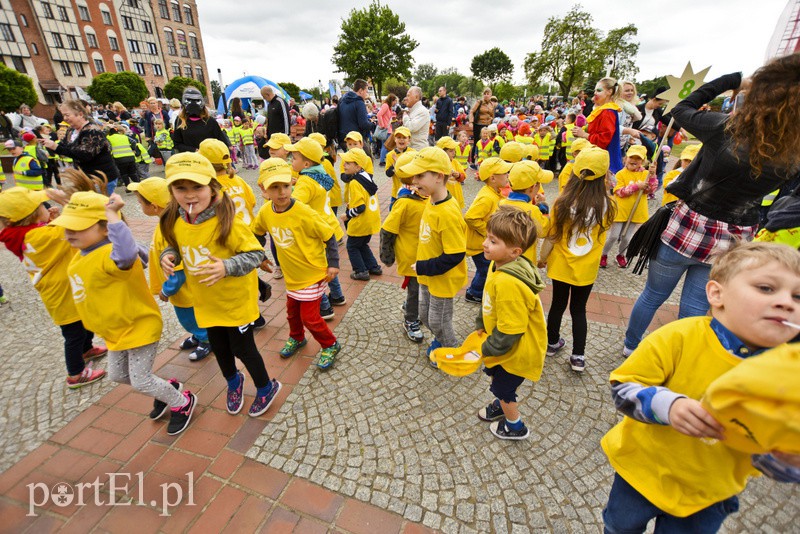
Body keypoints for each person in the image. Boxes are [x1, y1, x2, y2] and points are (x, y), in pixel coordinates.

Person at [601, 241, 800, 533]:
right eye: (766, 288)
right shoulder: (679, 337)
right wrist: (668, 406)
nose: (787, 302)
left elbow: (773, 451)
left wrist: (787, 460)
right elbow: (623, 386)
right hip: (641, 472)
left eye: (798, 295)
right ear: (717, 293)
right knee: (620, 528)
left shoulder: (790, 372)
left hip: (708, 495)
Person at [624, 53, 800, 356]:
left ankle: (631, 346)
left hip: (689, 225)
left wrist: (731, 80)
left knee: (653, 294)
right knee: (695, 305)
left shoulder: (725, 129)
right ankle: (680, 356)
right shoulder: (792, 157)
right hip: (733, 237)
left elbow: (681, 108)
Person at [53, 190, 196, 435]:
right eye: (67, 227)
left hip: (138, 326)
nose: (68, 233)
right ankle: (166, 388)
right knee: (118, 375)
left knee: (140, 380)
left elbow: (128, 253)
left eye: (77, 228)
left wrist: (113, 215)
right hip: (116, 332)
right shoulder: (82, 254)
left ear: (105, 228)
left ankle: (182, 402)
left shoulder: (111, 255)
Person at [159, 153, 280, 418]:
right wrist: (168, 257)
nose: (190, 195)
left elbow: (255, 254)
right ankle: (233, 382)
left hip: (234, 302)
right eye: (181, 188)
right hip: (205, 301)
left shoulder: (228, 223)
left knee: (243, 349)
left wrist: (226, 267)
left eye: (197, 187)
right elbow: (176, 245)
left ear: (213, 187)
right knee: (221, 348)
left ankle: (265, 387)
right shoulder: (178, 221)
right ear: (171, 191)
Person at [0, 186, 107, 387]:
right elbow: (75, 226)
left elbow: (49, 235)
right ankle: (75, 374)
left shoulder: (24, 234)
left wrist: (49, 221)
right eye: (40, 205)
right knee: (73, 333)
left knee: (83, 322)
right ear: (31, 215)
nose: (45, 206)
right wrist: (67, 204)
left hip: (61, 289)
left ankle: (87, 349)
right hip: (64, 293)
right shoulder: (42, 236)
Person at [251, 158, 342, 370]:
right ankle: (297, 337)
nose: (282, 192)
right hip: (293, 277)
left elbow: (329, 235)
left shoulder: (304, 212)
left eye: (285, 185)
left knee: (310, 317)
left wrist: (333, 264)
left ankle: (330, 344)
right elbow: (257, 233)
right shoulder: (265, 212)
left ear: (292, 183)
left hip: (313, 272)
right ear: (263, 189)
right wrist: (260, 257)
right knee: (292, 312)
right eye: (275, 187)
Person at [539, 147, 616, 373]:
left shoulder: (561, 202)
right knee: (578, 309)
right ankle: (578, 356)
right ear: (604, 175)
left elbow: (552, 235)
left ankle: (551, 343)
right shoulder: (609, 205)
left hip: (562, 263)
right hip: (587, 267)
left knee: (557, 305)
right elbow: (606, 233)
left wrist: (542, 258)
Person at [474, 206, 546, 440]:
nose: (485, 244)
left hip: (516, 352)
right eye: (487, 237)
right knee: (498, 380)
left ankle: (515, 426)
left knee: (504, 388)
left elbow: (511, 329)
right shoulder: (500, 264)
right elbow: (490, 300)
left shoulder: (508, 283)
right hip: (506, 348)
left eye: (493, 241)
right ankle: (501, 404)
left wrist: (485, 348)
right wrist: (481, 321)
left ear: (515, 251)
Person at [128, 177, 211, 362]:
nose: (139, 205)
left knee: (190, 318)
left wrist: (167, 289)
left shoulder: (170, 228)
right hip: (179, 290)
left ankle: (206, 339)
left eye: (141, 202)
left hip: (183, 290)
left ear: (155, 206)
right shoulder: (164, 223)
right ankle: (198, 336)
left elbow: (178, 270)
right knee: (189, 319)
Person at [400, 147, 467, 362]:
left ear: (439, 176)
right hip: (427, 275)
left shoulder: (447, 213)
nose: (414, 181)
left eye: (420, 176)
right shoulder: (431, 200)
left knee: (439, 321)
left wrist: (423, 267)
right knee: (424, 316)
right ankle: (440, 339)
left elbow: (455, 254)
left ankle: (451, 350)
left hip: (442, 279)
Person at [284, 137, 346, 321]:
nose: (290, 161)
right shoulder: (318, 174)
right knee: (328, 265)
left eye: (293, 158)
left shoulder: (305, 182)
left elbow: (295, 205)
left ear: (306, 163)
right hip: (328, 225)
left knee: (317, 268)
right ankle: (337, 295)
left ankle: (325, 308)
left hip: (316, 230)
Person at [379, 150, 425, 342]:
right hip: (411, 254)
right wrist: (386, 254)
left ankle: (409, 307)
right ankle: (410, 319)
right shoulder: (404, 202)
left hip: (423, 252)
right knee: (415, 289)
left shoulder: (423, 196)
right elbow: (388, 229)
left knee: (420, 287)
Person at [42, 100, 121, 195]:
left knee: (102, 207)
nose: (65, 118)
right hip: (85, 177)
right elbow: (64, 147)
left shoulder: (92, 131)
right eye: (63, 115)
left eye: (67, 115)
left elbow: (85, 154)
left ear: (80, 114)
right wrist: (50, 145)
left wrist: (56, 147)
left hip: (101, 178)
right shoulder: (71, 131)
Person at [464, 157, 513, 303]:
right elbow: (471, 217)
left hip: (483, 242)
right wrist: (488, 233)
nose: (507, 176)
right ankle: (474, 292)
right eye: (504, 173)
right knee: (485, 269)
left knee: (485, 268)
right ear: (493, 178)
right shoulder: (487, 197)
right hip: (479, 243)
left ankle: (476, 290)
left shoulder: (493, 192)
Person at [600, 145, 657, 268]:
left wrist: (652, 176)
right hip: (621, 210)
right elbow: (619, 191)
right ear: (625, 158)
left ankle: (621, 255)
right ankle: (603, 254)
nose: (634, 160)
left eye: (638, 158)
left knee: (626, 238)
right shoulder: (620, 174)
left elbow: (651, 190)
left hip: (635, 211)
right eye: (632, 157)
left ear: (643, 161)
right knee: (614, 236)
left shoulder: (646, 174)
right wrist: (637, 186)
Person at [339, 148, 381, 281]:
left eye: (348, 163)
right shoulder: (366, 176)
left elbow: (360, 207)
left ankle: (361, 271)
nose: (344, 165)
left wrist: (347, 215)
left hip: (361, 222)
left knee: (352, 246)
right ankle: (373, 266)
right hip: (371, 220)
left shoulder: (354, 183)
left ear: (358, 166)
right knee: (362, 244)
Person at [499, 160, 552, 264]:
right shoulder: (533, 210)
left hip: (503, 257)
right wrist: (543, 207)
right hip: (524, 261)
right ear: (533, 187)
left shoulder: (501, 203)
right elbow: (543, 231)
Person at [572, 77, 624, 175]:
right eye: (595, 90)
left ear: (609, 91)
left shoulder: (607, 112)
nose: (595, 93)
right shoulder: (602, 110)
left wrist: (584, 134)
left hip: (603, 162)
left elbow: (604, 139)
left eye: (599, 90)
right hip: (597, 157)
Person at [171, 87, 229, 153]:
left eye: (196, 100)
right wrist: (194, 150)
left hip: (209, 158)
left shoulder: (210, 121)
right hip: (190, 159)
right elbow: (177, 144)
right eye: (189, 100)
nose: (193, 103)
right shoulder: (180, 121)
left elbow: (221, 142)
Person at [337, 79, 372, 148]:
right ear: (361, 91)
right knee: (367, 158)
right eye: (366, 91)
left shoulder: (342, 100)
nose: (366, 94)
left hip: (343, 139)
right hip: (356, 140)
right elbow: (363, 124)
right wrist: (372, 124)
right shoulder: (359, 102)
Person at [384, 126, 412, 209]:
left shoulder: (413, 153)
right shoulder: (390, 155)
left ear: (409, 140)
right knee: (393, 213)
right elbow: (388, 173)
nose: (401, 140)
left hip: (411, 191)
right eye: (398, 137)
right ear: (394, 139)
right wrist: (394, 165)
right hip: (396, 192)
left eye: (404, 137)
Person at [436, 136, 466, 211]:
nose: (454, 152)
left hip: (456, 196)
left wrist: (458, 175)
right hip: (444, 198)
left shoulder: (455, 162)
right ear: (442, 152)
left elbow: (463, 176)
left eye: (454, 150)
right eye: (451, 151)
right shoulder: (438, 165)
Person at [107, 125, 140, 190]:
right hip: (130, 157)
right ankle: (139, 185)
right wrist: (133, 149)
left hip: (119, 158)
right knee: (133, 173)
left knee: (124, 174)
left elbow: (109, 148)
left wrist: (110, 154)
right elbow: (134, 141)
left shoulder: (108, 138)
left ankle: (128, 187)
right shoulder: (124, 136)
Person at [402, 86, 430, 151]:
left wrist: (405, 116)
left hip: (418, 151)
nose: (406, 98)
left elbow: (411, 127)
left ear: (416, 97)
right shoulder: (412, 110)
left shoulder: (422, 111)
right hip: (410, 149)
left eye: (408, 96)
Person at [376, 94, 397, 166]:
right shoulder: (386, 106)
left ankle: (383, 160)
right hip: (386, 129)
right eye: (395, 101)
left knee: (385, 145)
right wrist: (382, 125)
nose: (395, 103)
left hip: (387, 129)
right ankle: (383, 161)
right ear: (392, 100)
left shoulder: (388, 106)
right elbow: (379, 115)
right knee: (386, 145)